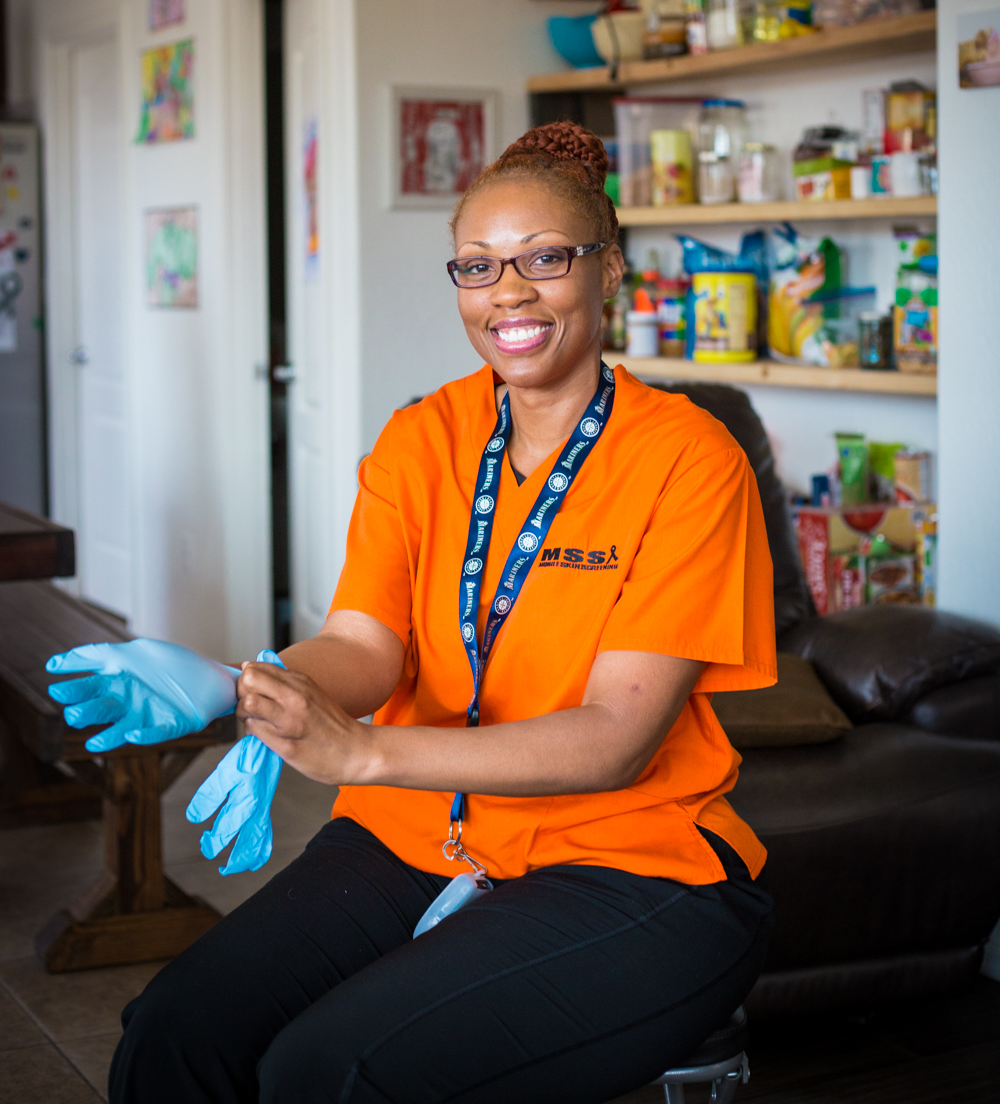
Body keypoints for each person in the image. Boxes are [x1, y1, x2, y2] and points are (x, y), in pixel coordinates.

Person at [82, 123, 777, 1103]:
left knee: (327, 1074)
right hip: (416, 835)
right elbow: (366, 644)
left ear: (609, 269)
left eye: (545, 258)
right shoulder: (420, 439)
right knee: (173, 1036)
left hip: (630, 863)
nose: (509, 292)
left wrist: (363, 755)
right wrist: (249, 685)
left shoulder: (687, 458)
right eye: (478, 266)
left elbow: (616, 739)